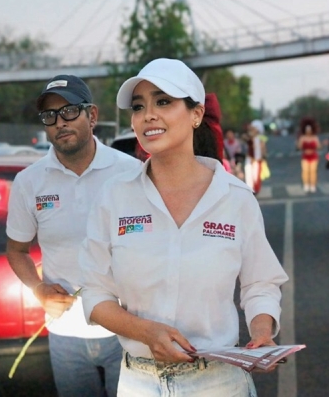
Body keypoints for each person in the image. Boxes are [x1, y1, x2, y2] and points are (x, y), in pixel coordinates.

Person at [77, 58, 289, 396]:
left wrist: (261, 330)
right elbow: (95, 294)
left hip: (218, 381)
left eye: (163, 102)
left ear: (196, 114)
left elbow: (260, 283)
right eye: (138, 106)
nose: (148, 115)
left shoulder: (235, 198)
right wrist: (145, 332)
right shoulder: (114, 197)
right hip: (139, 383)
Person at [5, 75, 142, 397]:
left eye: (68, 111)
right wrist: (38, 288)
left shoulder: (131, 172)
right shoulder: (29, 182)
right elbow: (16, 250)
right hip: (64, 335)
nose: (59, 123)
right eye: (49, 116)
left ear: (91, 115)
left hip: (127, 330)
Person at [297, 117, 320, 193]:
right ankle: (306, 184)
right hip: (305, 157)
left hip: (313, 156)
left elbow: (319, 146)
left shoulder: (315, 138)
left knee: (313, 171)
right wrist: (299, 143)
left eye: (309, 130)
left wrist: (320, 144)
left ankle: (313, 185)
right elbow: (299, 147)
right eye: (307, 130)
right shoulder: (302, 138)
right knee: (305, 171)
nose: (308, 131)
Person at [244, 119, 267, 194]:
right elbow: (245, 139)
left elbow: (263, 147)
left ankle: (255, 189)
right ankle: (249, 188)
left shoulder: (262, 137)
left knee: (256, 175)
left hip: (258, 159)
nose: (253, 129)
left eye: (255, 128)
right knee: (248, 172)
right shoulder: (249, 137)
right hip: (249, 158)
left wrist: (264, 157)